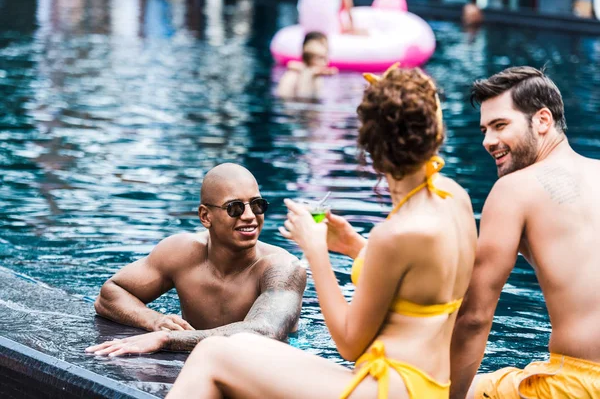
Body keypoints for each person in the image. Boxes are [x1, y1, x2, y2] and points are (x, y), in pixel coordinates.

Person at [166, 65, 477, 398]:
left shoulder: (395, 234)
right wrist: (355, 246)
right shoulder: (454, 197)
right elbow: (423, 280)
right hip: (428, 388)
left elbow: (349, 343)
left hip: (390, 390)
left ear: (372, 149)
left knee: (212, 353)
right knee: (241, 343)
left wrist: (315, 250)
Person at [450, 66, 600, 399]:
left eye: (500, 125)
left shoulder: (513, 190)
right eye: (484, 129)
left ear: (543, 120)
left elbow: (474, 316)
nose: (489, 141)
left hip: (577, 385)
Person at [85, 163, 306, 357]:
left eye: (257, 205)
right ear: (205, 216)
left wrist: (168, 339)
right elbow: (109, 294)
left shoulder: (282, 268)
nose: (249, 216)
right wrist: (153, 320)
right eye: (235, 208)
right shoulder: (181, 253)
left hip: (266, 370)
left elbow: (266, 331)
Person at [276, 31, 338, 100]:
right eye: (321, 57)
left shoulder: (315, 73)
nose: (326, 62)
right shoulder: (293, 75)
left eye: (327, 51)